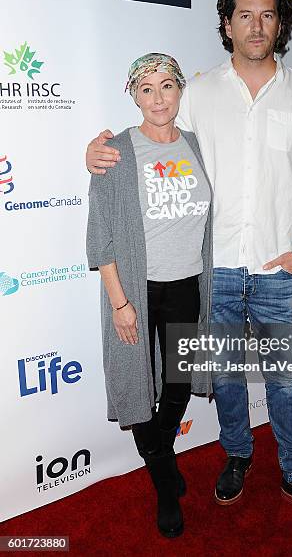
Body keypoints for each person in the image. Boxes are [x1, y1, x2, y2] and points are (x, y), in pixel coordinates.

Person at [86, 0, 292, 532]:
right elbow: (154, 133)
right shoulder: (198, 92)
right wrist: (96, 150)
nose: (257, 26)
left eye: (268, 15)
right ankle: (237, 456)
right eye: (245, 15)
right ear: (227, 24)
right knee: (225, 377)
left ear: (282, 24)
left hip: (279, 269)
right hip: (217, 271)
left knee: (283, 379)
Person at [86, 53, 213, 538]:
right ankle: (164, 480)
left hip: (188, 284)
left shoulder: (196, 144)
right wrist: (120, 304)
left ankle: (159, 449)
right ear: (133, 95)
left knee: (178, 383)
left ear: (180, 90)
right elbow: (101, 238)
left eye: (167, 86)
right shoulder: (117, 151)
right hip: (137, 290)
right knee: (138, 385)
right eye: (146, 89)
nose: (158, 98)